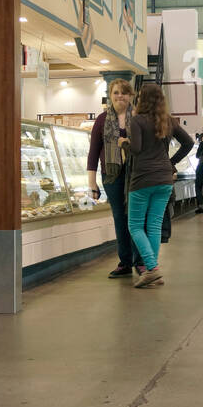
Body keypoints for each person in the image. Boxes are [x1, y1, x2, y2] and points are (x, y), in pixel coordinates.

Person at [125, 82, 193, 287]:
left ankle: (152, 269)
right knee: (154, 225)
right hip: (164, 178)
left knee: (135, 225)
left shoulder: (137, 121)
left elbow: (136, 149)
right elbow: (188, 143)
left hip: (143, 178)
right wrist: (170, 162)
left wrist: (124, 143)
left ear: (141, 99)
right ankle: (152, 269)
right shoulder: (168, 121)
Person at [87, 78, 144, 278]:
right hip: (111, 176)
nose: (120, 96)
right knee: (120, 218)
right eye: (116, 92)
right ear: (110, 96)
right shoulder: (102, 120)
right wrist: (92, 183)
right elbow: (93, 153)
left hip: (136, 175)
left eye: (124, 92)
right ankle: (125, 262)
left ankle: (141, 261)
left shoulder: (138, 118)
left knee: (135, 218)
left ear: (131, 96)